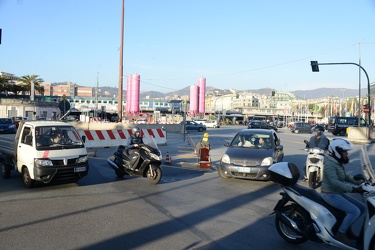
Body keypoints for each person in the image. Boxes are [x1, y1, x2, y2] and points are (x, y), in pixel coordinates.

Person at [320, 138, 366, 247]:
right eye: (345, 151)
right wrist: (353, 189)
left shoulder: (337, 162)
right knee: (354, 211)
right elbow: (334, 182)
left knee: (362, 208)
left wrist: (359, 182)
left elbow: (344, 176)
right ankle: (340, 233)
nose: (347, 153)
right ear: (337, 151)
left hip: (337, 193)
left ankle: (347, 229)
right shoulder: (330, 164)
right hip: (329, 194)